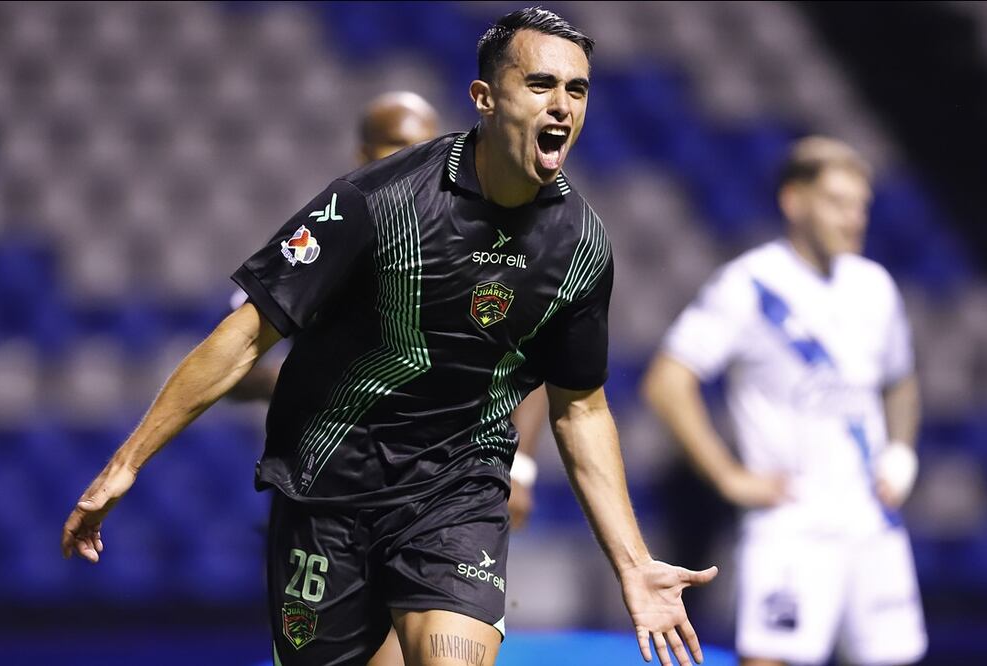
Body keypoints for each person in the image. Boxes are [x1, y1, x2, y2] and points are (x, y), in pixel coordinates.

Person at [62, 8, 717, 666]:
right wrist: (127, 464)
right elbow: (242, 339)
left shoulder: (581, 247)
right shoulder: (376, 202)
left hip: (455, 493)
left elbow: (581, 406)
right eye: (541, 84)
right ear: (485, 99)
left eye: (576, 90)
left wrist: (632, 564)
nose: (563, 105)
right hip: (327, 490)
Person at [226, 89, 548, 666]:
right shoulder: (327, 234)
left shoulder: (472, 243)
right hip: (327, 485)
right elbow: (236, 356)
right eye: (399, 144)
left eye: (425, 142)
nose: (416, 155)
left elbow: (529, 362)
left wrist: (520, 466)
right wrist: (331, 382)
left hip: (438, 487)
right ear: (363, 151)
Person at [642, 136, 928, 666]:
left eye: (861, 205)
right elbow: (666, 381)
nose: (854, 218)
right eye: (839, 203)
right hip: (791, 523)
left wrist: (903, 453)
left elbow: (902, 379)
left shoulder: (875, 287)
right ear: (794, 202)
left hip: (872, 521)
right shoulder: (750, 286)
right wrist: (729, 477)